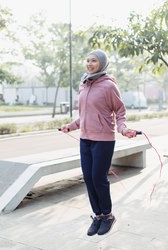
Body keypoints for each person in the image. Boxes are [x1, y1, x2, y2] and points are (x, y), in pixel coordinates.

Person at [60, 49, 137, 236]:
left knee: (98, 178)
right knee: (88, 179)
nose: (89, 63)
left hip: (103, 140)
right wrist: (70, 126)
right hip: (85, 139)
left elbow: (120, 111)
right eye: (87, 60)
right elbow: (83, 115)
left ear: (102, 63)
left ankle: (108, 215)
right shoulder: (84, 85)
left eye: (93, 60)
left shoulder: (109, 86)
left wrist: (123, 128)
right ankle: (98, 215)